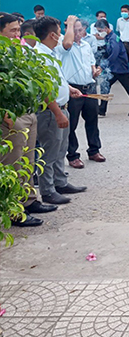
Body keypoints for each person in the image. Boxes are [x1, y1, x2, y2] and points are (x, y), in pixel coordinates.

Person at [0, 13, 58, 225]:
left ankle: (29, 200)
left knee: (28, 160)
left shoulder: (21, 51)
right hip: (9, 116)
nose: (17, 34)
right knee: (13, 163)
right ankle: (14, 210)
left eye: (18, 30)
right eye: (12, 30)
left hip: (27, 112)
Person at [33, 16, 87, 205]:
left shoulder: (50, 52)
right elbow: (44, 89)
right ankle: (48, 191)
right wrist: (57, 113)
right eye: (59, 32)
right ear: (52, 35)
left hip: (61, 108)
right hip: (51, 112)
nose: (62, 36)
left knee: (60, 149)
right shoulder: (40, 56)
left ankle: (60, 182)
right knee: (49, 152)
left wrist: (68, 89)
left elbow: (57, 79)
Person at [59, 18, 105, 169]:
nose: (78, 33)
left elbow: (91, 63)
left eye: (80, 30)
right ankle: (72, 155)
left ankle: (94, 150)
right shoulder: (64, 45)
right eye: (74, 30)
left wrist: (95, 71)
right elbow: (67, 44)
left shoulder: (86, 45)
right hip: (73, 88)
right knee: (71, 123)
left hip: (89, 86)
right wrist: (70, 25)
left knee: (92, 120)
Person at [95, 19, 129, 117]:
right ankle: (102, 109)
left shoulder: (114, 39)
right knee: (105, 86)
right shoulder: (108, 38)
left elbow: (114, 55)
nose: (99, 33)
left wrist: (102, 66)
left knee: (128, 88)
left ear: (106, 28)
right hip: (113, 68)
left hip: (120, 69)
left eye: (100, 31)